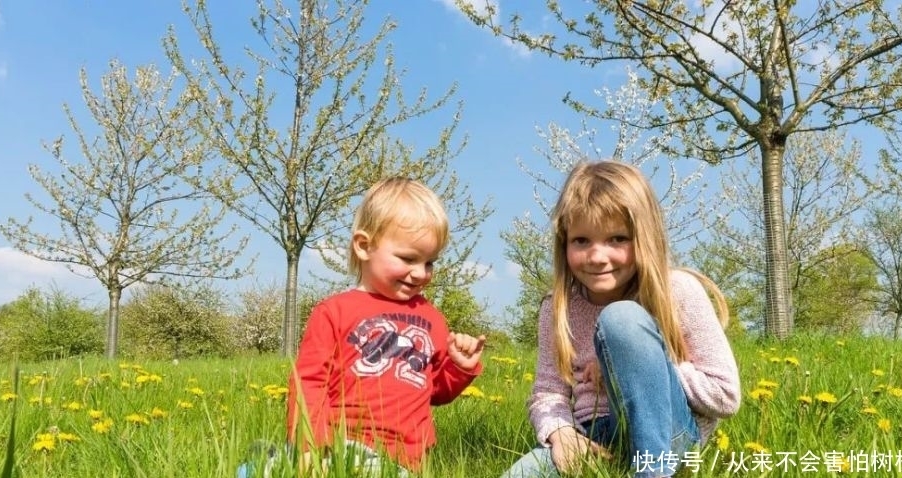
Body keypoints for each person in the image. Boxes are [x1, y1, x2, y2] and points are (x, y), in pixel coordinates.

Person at [502, 161, 741, 478]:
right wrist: (561, 433)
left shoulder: (678, 291)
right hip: (593, 438)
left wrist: (633, 366)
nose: (598, 257)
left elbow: (724, 396)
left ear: (645, 237)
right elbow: (549, 393)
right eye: (581, 240)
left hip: (671, 435)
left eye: (617, 239)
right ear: (564, 242)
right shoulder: (557, 307)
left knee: (622, 320)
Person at [286, 177, 486, 476]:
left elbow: (436, 391)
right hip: (342, 450)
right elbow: (309, 384)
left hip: (409, 460)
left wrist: (459, 368)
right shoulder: (334, 312)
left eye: (430, 262)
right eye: (408, 258)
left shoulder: (430, 318)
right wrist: (309, 448)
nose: (421, 273)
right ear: (364, 246)